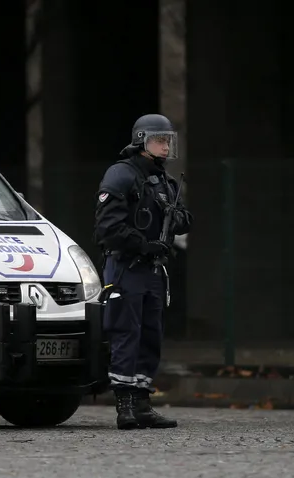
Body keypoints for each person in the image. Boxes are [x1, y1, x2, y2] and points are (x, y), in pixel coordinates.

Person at [93, 113, 193, 429]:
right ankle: (124, 405)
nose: (166, 147)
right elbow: (107, 228)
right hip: (126, 267)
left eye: (168, 141)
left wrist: (178, 220)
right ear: (142, 141)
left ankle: (142, 402)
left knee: (151, 336)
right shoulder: (121, 175)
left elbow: (183, 220)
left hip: (153, 271)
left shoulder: (164, 180)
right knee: (126, 333)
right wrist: (143, 245)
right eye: (160, 140)